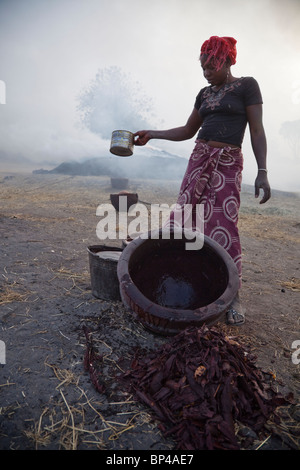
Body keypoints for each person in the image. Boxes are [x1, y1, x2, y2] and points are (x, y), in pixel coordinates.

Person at [134, 36, 271, 326]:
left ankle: (233, 296)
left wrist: (263, 171)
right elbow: (187, 130)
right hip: (198, 160)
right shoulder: (204, 94)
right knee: (183, 216)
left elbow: (257, 131)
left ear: (228, 61)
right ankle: (168, 278)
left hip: (227, 163)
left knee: (223, 226)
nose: (206, 71)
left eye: (211, 65)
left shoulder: (247, 86)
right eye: (203, 66)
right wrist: (152, 134)